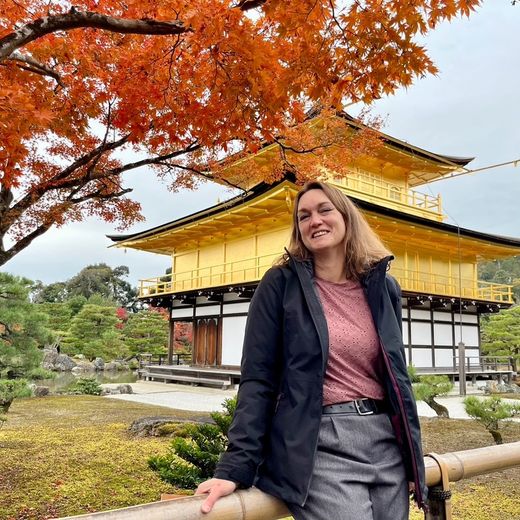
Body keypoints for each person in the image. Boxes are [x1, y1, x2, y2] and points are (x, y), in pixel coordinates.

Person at [195, 181, 427, 519]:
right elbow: (258, 379)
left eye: (324, 210)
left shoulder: (383, 287)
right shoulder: (281, 285)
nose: (313, 220)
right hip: (321, 443)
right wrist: (234, 467)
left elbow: (397, 378)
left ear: (346, 217)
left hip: (384, 440)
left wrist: (412, 457)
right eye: (303, 216)